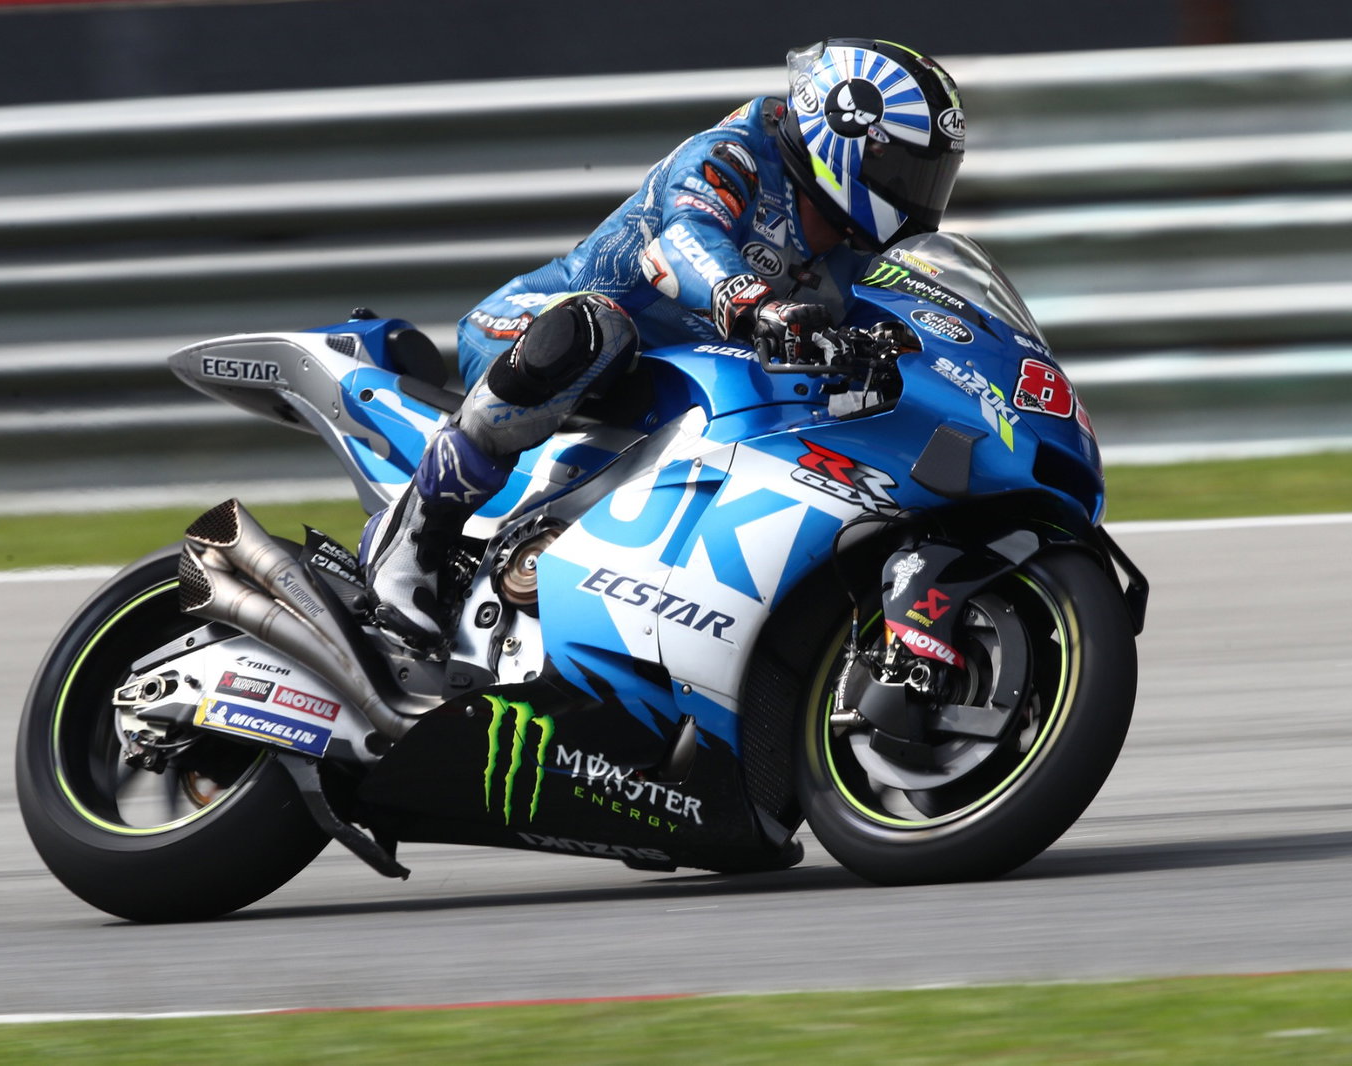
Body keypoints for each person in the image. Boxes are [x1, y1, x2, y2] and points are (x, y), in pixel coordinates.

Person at [363, 37, 967, 651]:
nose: (918, 194)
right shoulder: (737, 154)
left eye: (931, 177)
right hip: (539, 329)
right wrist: (754, 301)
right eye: (905, 171)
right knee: (598, 330)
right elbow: (680, 242)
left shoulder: (851, 256)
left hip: (665, 390)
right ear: (844, 134)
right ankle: (411, 540)